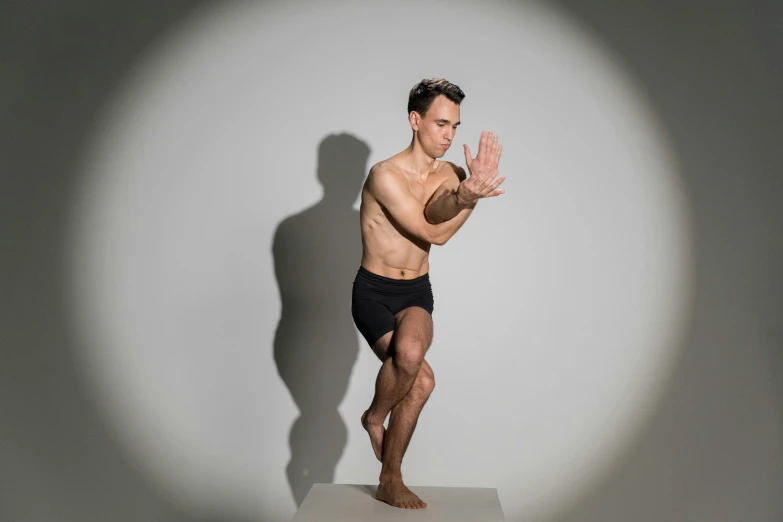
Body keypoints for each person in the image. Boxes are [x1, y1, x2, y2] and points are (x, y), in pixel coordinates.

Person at [352, 78, 505, 509]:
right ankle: (375, 417)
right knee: (418, 374)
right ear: (414, 120)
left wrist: (462, 192)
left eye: (455, 126)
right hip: (374, 292)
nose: (449, 135)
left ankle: (390, 478)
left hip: (416, 289)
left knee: (419, 373)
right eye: (441, 123)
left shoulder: (450, 174)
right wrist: (469, 199)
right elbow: (429, 233)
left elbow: (438, 208)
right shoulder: (385, 174)